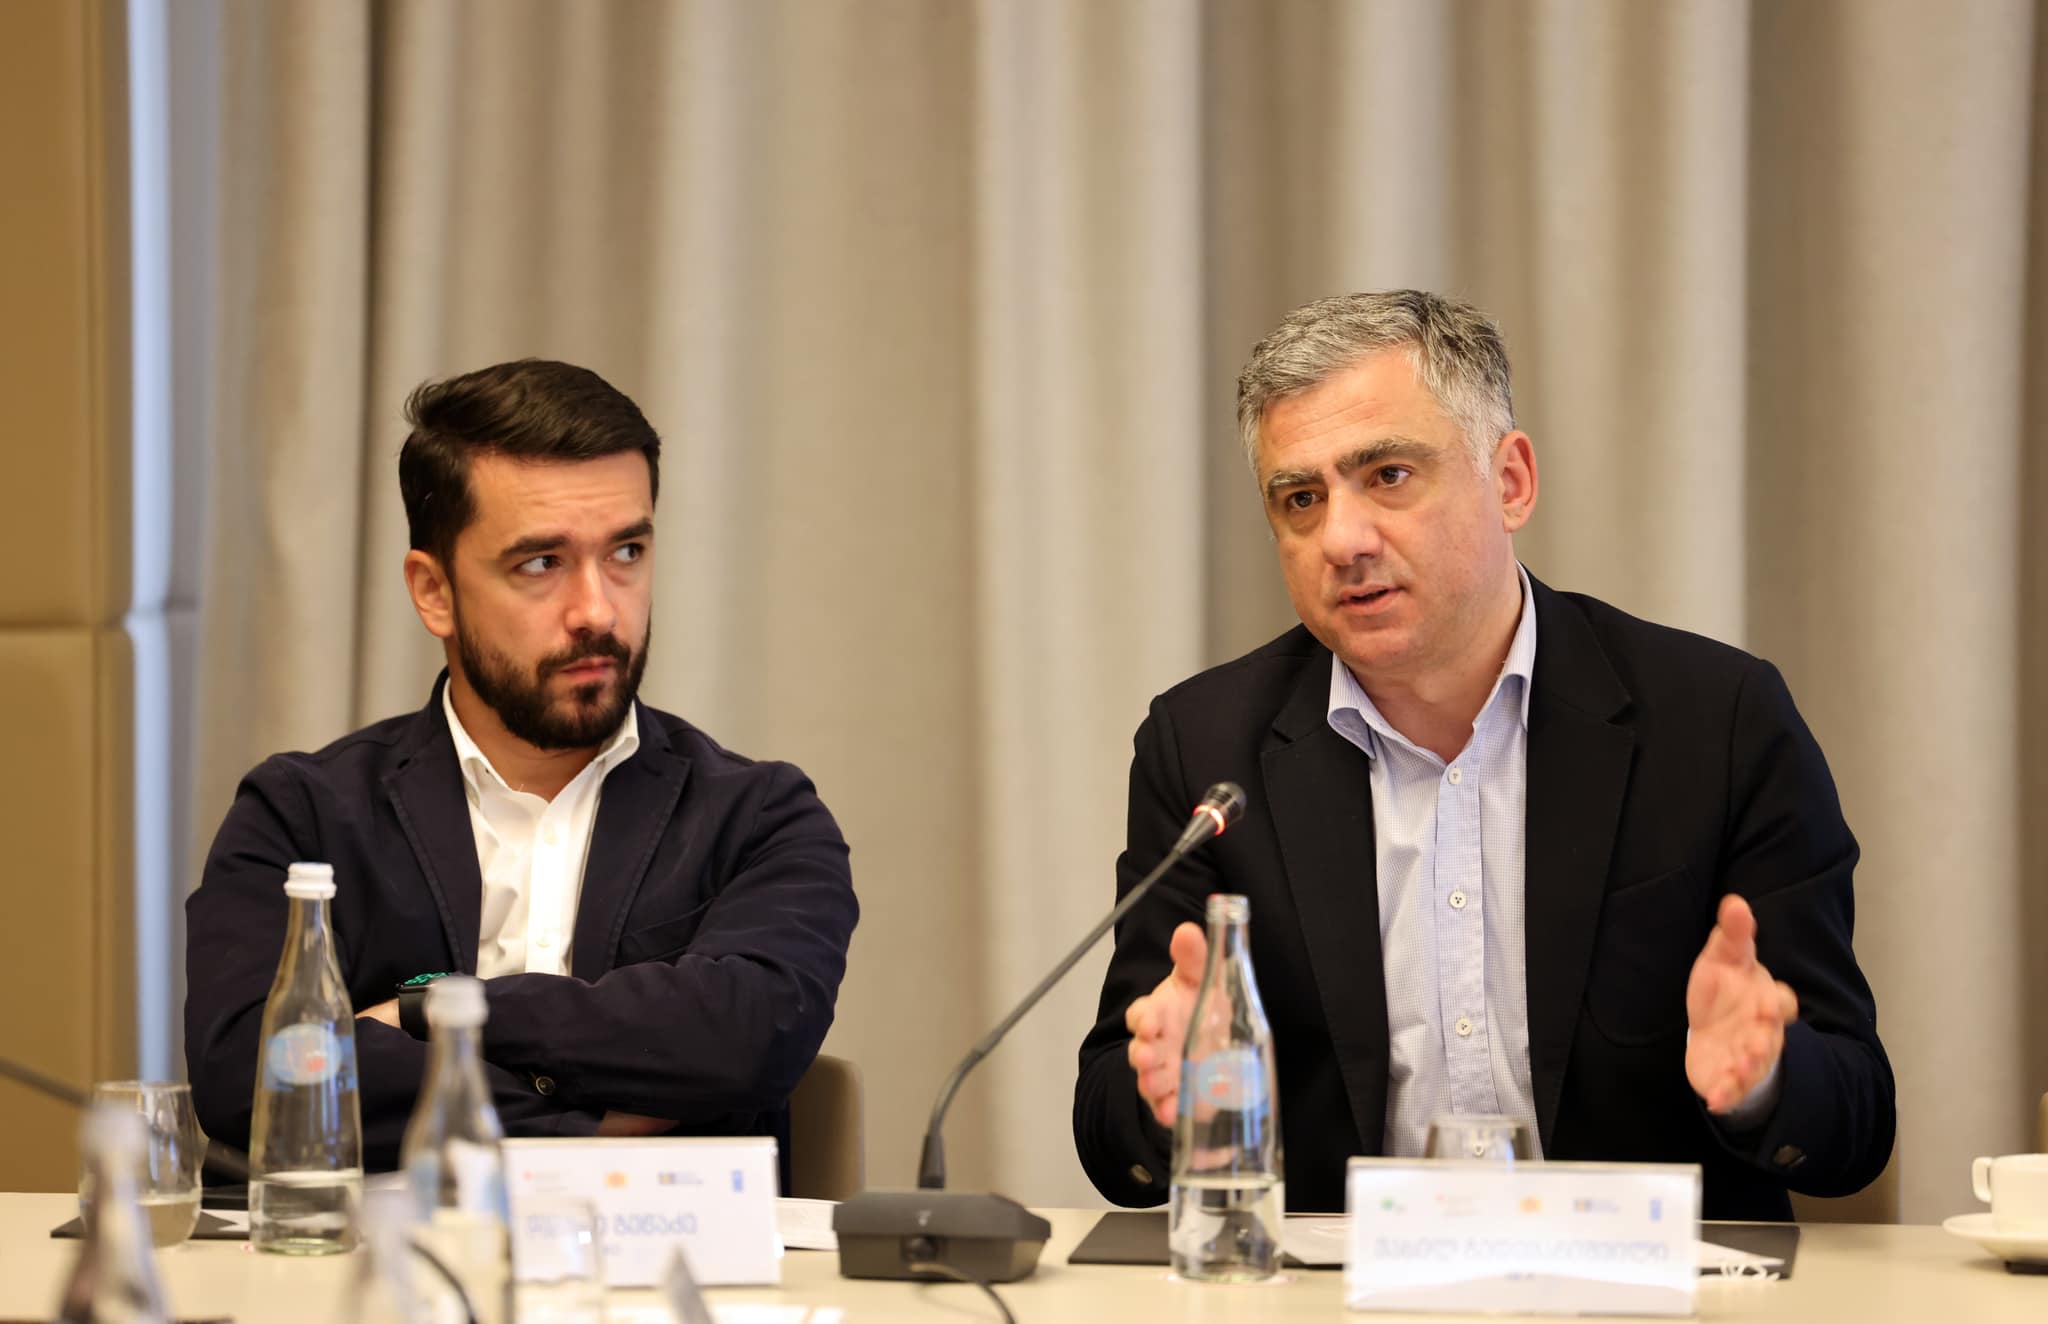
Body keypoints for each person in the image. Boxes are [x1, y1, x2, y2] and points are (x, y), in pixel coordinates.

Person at [1073, 291, 1893, 1220]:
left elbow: (1855, 1123)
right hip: (1334, 1286)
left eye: (1388, 475)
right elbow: (1110, 1138)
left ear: (1510, 482)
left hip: (1641, 1280)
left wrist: (1765, 1076)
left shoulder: (1719, 722)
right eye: (1301, 499)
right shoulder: (1205, 751)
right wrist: (1167, 1093)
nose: (1342, 539)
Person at [186, 359, 858, 1172]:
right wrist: (575, 1130)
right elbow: (253, 1072)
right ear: (434, 592)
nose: (597, 611)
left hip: (671, 1251)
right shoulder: (303, 814)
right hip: (375, 1253)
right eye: (541, 563)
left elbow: (747, 1037)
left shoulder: (759, 817)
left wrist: (432, 1012)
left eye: (627, 552)